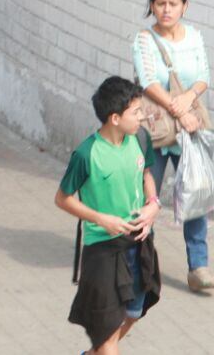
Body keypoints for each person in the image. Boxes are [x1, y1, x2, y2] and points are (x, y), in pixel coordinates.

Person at [55, 76, 161, 355]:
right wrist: (102, 219)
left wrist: (153, 204)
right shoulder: (86, 153)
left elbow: (146, 175)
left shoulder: (140, 138)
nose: (142, 116)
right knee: (107, 336)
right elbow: (62, 199)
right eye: (136, 112)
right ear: (115, 118)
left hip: (138, 245)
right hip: (103, 251)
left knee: (134, 313)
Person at [132, 0, 212, 291]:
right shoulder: (144, 39)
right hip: (154, 128)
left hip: (188, 131)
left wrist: (189, 99)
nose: (166, 10)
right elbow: (149, 82)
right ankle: (143, 265)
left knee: (196, 193)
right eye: (160, 4)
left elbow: (203, 77)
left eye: (173, 4)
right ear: (152, 6)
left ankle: (199, 266)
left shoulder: (194, 36)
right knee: (145, 197)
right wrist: (181, 110)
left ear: (184, 6)